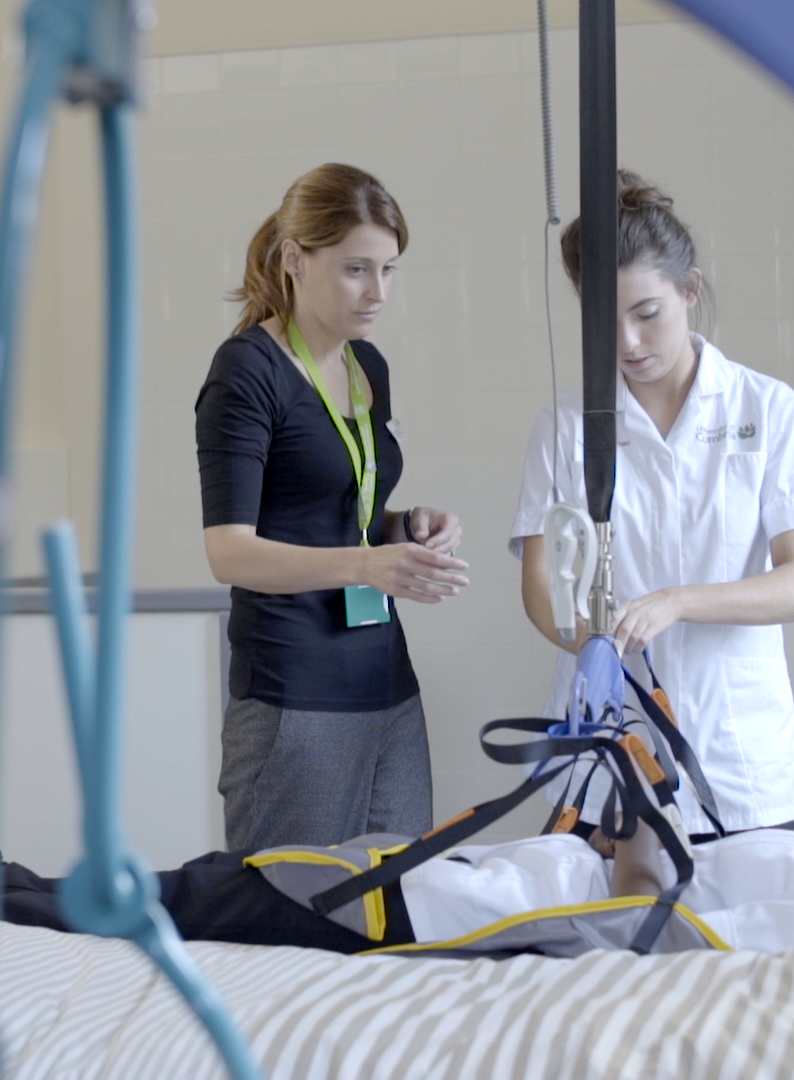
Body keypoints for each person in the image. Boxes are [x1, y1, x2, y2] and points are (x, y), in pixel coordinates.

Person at [512, 171, 794, 842]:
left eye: (647, 314)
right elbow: (543, 586)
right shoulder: (566, 423)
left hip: (735, 750)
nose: (629, 344)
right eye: (607, 321)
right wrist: (593, 644)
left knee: (736, 941)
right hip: (606, 743)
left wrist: (675, 602)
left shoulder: (767, 410)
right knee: (602, 937)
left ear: (689, 291)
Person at [0, 798, 794, 957]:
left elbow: (687, 940)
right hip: (489, 879)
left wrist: (635, 861)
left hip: (447, 920)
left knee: (197, 897)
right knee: (205, 883)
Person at [194, 163, 470, 851]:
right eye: (356, 269)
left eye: (389, 270)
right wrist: (368, 564)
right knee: (288, 918)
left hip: (386, 681)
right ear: (294, 259)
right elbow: (229, 550)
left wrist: (406, 529)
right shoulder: (247, 373)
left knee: (396, 904)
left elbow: (341, 510)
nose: (377, 293)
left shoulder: (364, 365)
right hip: (295, 689)